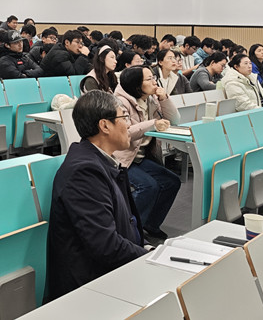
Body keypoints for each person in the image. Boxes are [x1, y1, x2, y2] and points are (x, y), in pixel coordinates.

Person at [48, 90, 147, 298]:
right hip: (91, 288)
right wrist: (148, 256)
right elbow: (106, 245)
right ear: (105, 125)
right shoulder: (84, 171)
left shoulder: (100, 161)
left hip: (114, 271)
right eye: (124, 117)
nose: (129, 124)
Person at [113, 66, 180, 241]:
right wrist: (152, 124)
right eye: (149, 79)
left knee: (172, 182)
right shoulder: (119, 102)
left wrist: (164, 98)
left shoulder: (150, 99)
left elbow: (175, 120)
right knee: (148, 186)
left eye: (154, 78)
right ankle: (128, 230)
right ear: (137, 85)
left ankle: (150, 224)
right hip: (122, 158)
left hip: (140, 156)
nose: (154, 82)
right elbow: (125, 133)